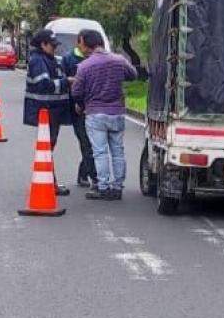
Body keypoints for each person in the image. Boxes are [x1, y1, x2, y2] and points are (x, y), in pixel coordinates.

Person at [72, 38, 145, 200]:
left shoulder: (84, 66)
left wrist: (81, 103)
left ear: (87, 44)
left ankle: (103, 187)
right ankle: (117, 187)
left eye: (81, 43)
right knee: (118, 152)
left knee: (100, 152)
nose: (80, 47)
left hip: (95, 113)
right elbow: (133, 75)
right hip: (117, 112)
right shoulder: (119, 60)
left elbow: (76, 92)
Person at [24, 28, 73, 196]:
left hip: (53, 111)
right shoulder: (38, 61)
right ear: (43, 45)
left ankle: (50, 181)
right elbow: (43, 84)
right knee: (47, 147)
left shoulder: (50, 59)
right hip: (45, 111)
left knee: (49, 147)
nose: (55, 49)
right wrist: (66, 82)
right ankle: (49, 182)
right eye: (52, 46)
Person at [60, 30, 99, 189]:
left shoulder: (97, 59)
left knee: (95, 144)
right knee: (87, 144)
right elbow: (62, 82)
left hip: (96, 108)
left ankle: (84, 173)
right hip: (78, 109)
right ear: (80, 42)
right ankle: (95, 178)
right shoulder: (69, 59)